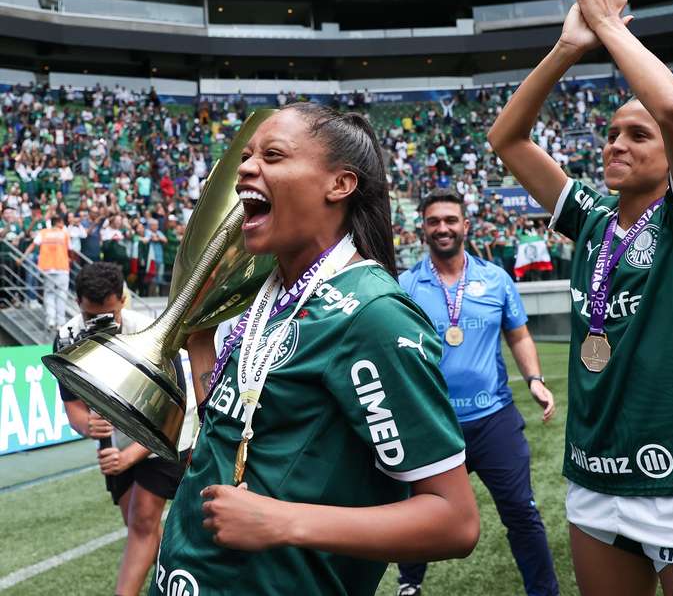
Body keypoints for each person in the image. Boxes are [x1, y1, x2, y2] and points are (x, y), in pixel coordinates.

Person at [487, 0, 673, 596]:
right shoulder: (591, 217)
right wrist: (565, 46)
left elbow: (671, 109)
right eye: (611, 133)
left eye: (636, 135)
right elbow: (508, 138)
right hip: (595, 476)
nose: (616, 144)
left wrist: (611, 27)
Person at [151, 104, 479, 596]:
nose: (245, 167)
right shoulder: (264, 294)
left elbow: (454, 521)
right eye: (246, 155)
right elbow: (241, 430)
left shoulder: (373, 315)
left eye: (273, 155)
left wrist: (283, 521)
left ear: (339, 185)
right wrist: (199, 340)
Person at [396, 188, 559, 596]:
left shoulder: (495, 278)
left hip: (493, 418)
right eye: (434, 221)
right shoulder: (405, 284)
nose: (443, 228)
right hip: (435, 423)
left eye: (450, 220)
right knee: (419, 512)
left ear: (465, 226)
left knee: (522, 511)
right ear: (423, 229)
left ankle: (544, 592)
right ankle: (409, 583)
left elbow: (518, 336)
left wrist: (535, 380)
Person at [54, 262, 187, 596]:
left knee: (143, 518)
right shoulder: (67, 337)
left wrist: (129, 456)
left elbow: (176, 413)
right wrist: (89, 425)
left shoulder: (153, 330)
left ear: (123, 300)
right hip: (114, 443)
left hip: (167, 437)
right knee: (137, 524)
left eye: (109, 315)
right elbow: (75, 410)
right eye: (90, 317)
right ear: (78, 305)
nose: (100, 323)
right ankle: (181, 581)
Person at [18, 213, 71, 329]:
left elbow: (33, 245)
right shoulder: (64, 234)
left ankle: (50, 320)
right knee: (61, 295)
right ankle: (60, 322)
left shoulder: (43, 233)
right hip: (62, 268)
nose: (63, 225)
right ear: (58, 222)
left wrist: (22, 258)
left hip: (47, 268)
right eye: (62, 222)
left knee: (49, 294)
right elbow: (70, 249)